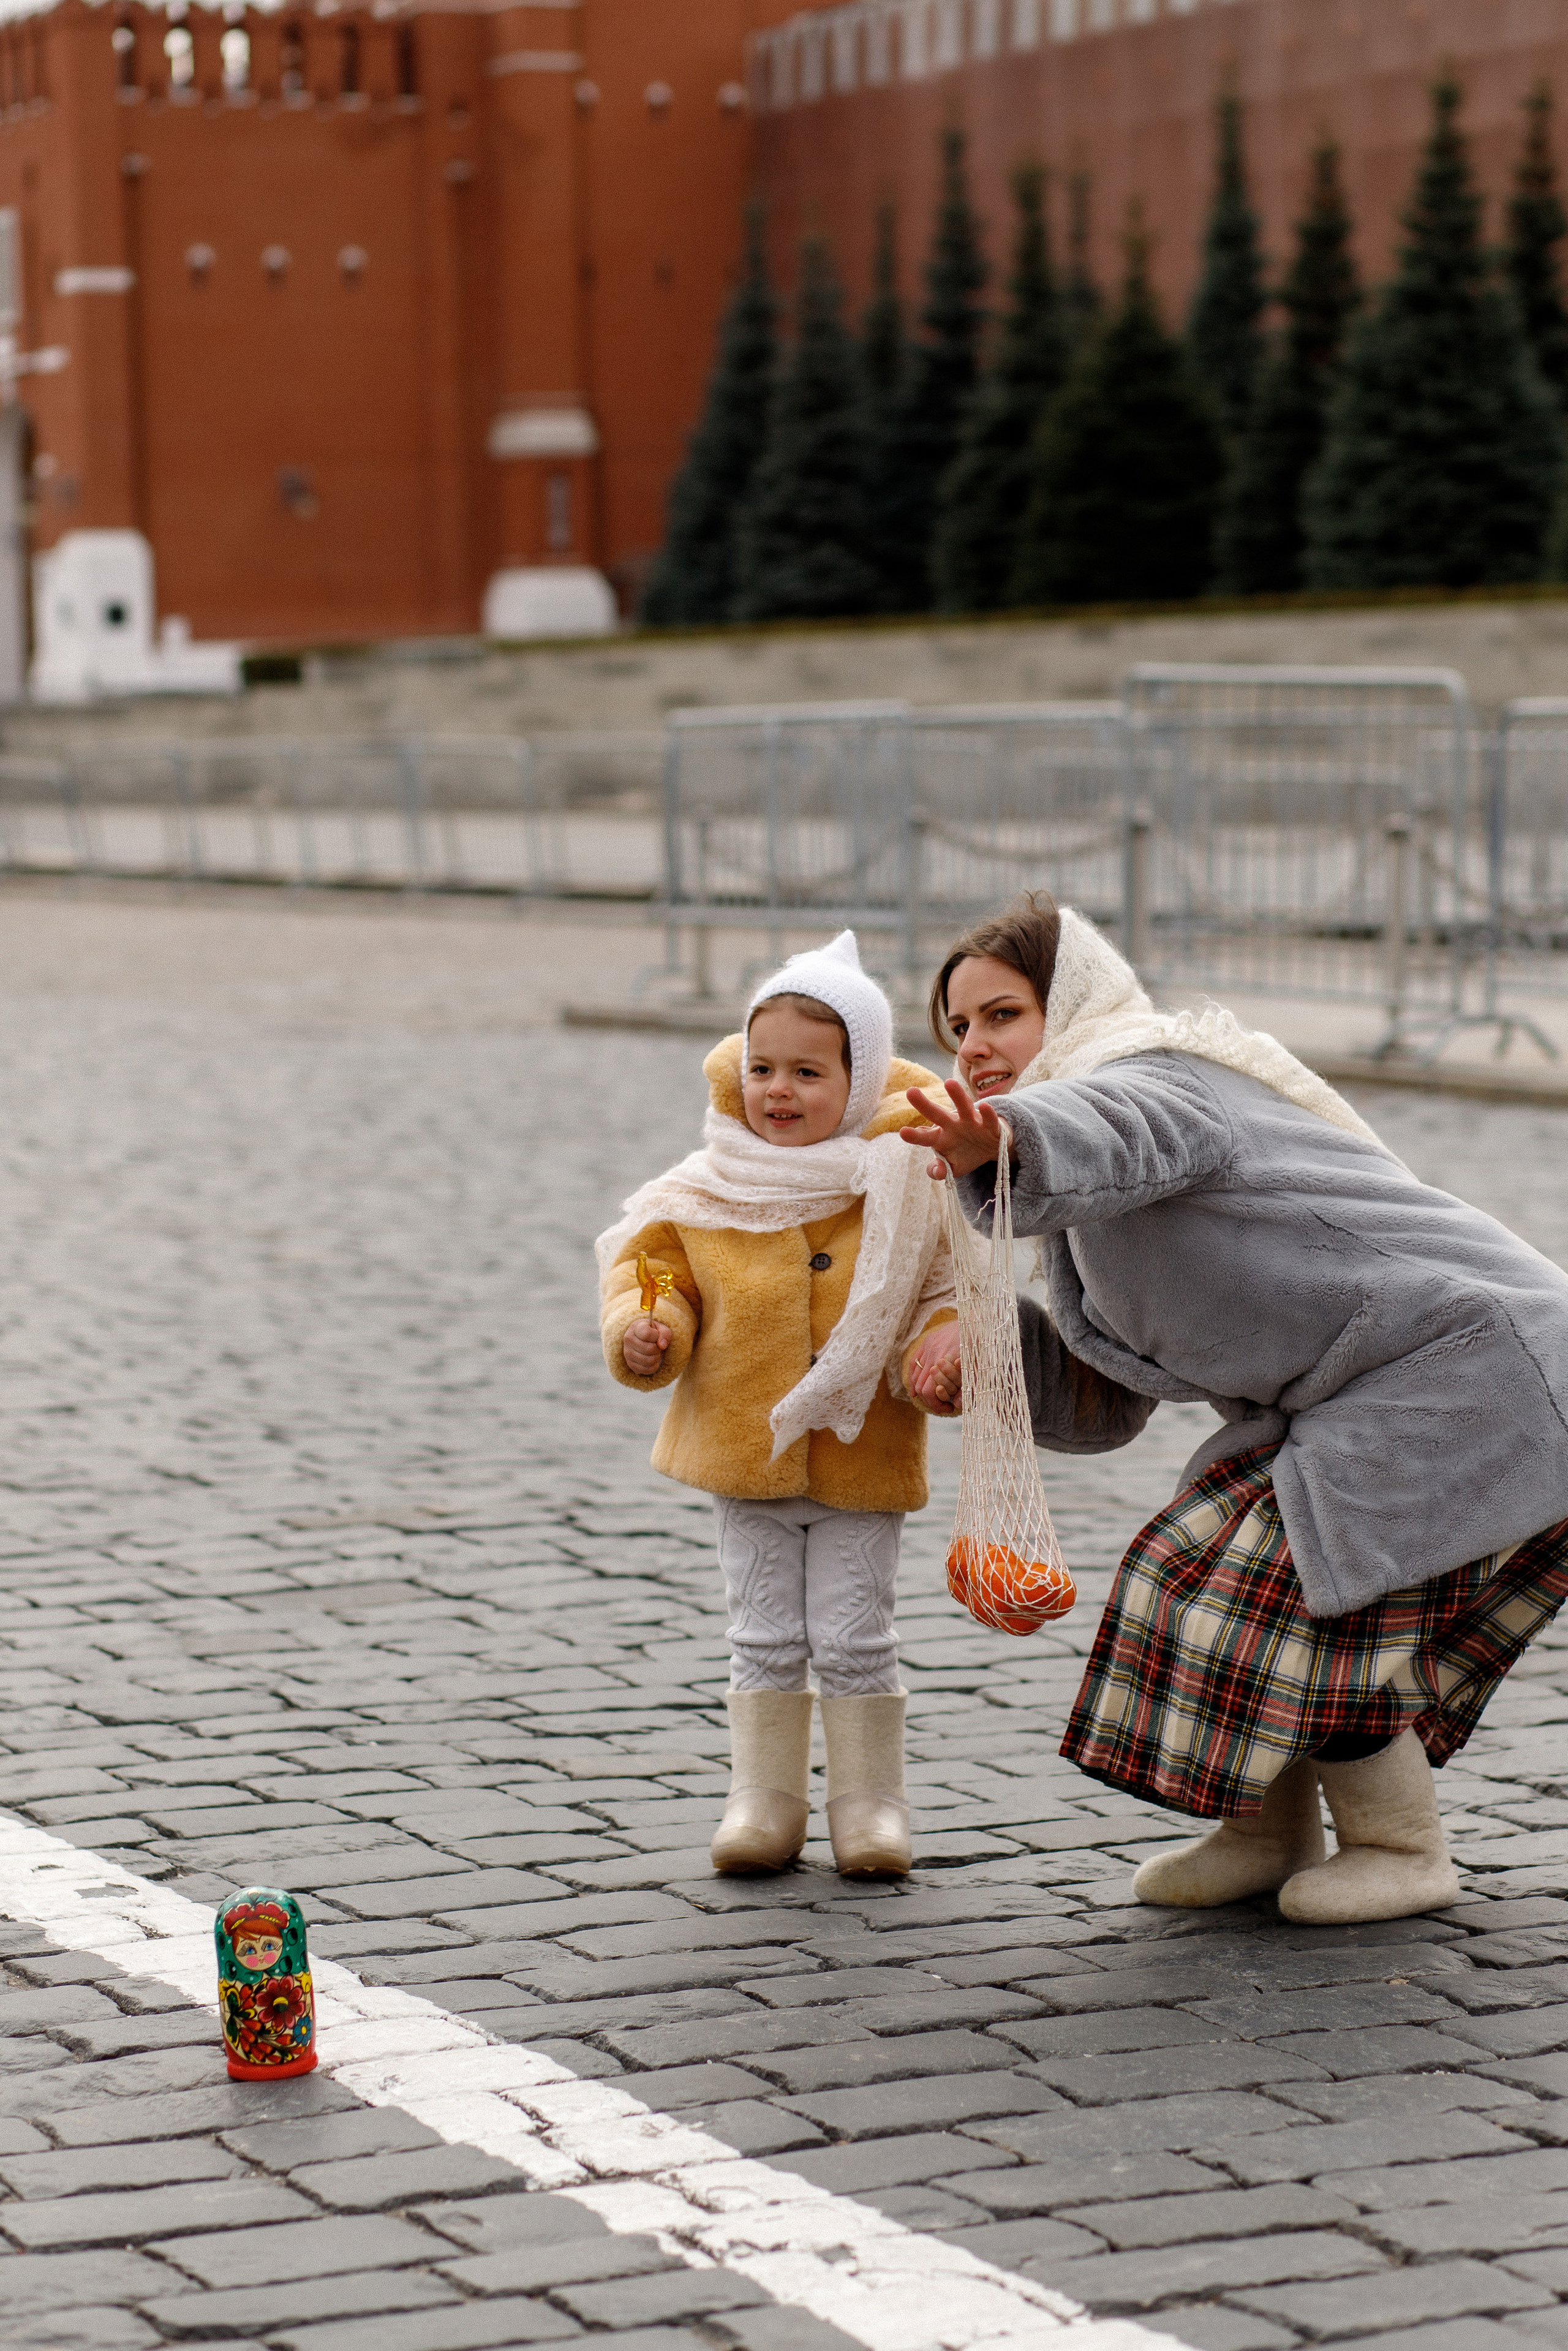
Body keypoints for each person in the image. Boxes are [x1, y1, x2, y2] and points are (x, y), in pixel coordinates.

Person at [902, 891, 1568, 1925]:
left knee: (1291, 1598)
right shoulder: (1086, 1208)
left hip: (1477, 1372)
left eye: (1003, 1014)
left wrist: (1005, 1139)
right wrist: (983, 1355)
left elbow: (1115, 1127)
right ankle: (1268, 1835)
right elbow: (1109, 1388)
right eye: (959, 1029)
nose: (976, 1045)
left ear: (1069, 1003)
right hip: (1376, 1392)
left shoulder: (1158, 1074)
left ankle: (1403, 1846)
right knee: (1200, 1573)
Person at [597, 931, 956, 1879]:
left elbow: (938, 1292)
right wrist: (649, 1332)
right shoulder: (711, 1181)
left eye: (808, 1070)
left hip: (860, 1449)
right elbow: (653, 1272)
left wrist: (936, 1353)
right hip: (745, 1452)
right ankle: (763, 1798)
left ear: (862, 1079)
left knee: (852, 1630)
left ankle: (870, 1802)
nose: (779, 1090)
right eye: (763, 1068)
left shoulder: (902, 1176)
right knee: (761, 1628)